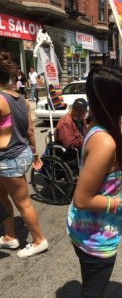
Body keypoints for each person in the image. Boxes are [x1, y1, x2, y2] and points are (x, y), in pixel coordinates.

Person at [66, 65, 122, 298]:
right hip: (94, 238)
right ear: (112, 99)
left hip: (90, 230)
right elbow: (82, 199)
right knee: (93, 292)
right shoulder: (105, 141)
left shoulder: (104, 126)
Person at [0, 51, 48, 258]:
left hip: (8, 158)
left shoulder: (0, 100)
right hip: (20, 154)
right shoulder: (21, 99)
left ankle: (38, 240)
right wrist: (35, 154)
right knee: (3, 198)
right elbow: (29, 131)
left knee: (22, 202)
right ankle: (9, 236)